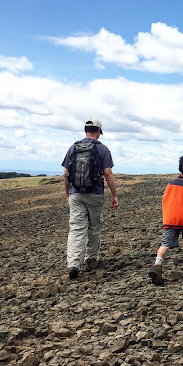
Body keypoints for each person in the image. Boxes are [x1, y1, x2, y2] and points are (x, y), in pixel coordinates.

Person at [62, 118, 119, 279]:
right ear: (99, 132)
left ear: (85, 130)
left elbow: (66, 174)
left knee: (76, 228)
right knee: (94, 226)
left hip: (76, 193)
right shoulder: (102, 149)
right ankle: (91, 258)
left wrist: (68, 194)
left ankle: (73, 263)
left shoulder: (73, 148)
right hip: (95, 193)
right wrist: (114, 195)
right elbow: (108, 173)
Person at [149, 153, 183, 285]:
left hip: (170, 219)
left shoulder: (170, 184)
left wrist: (167, 216)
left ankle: (157, 265)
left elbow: (165, 200)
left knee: (165, 244)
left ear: (180, 168)